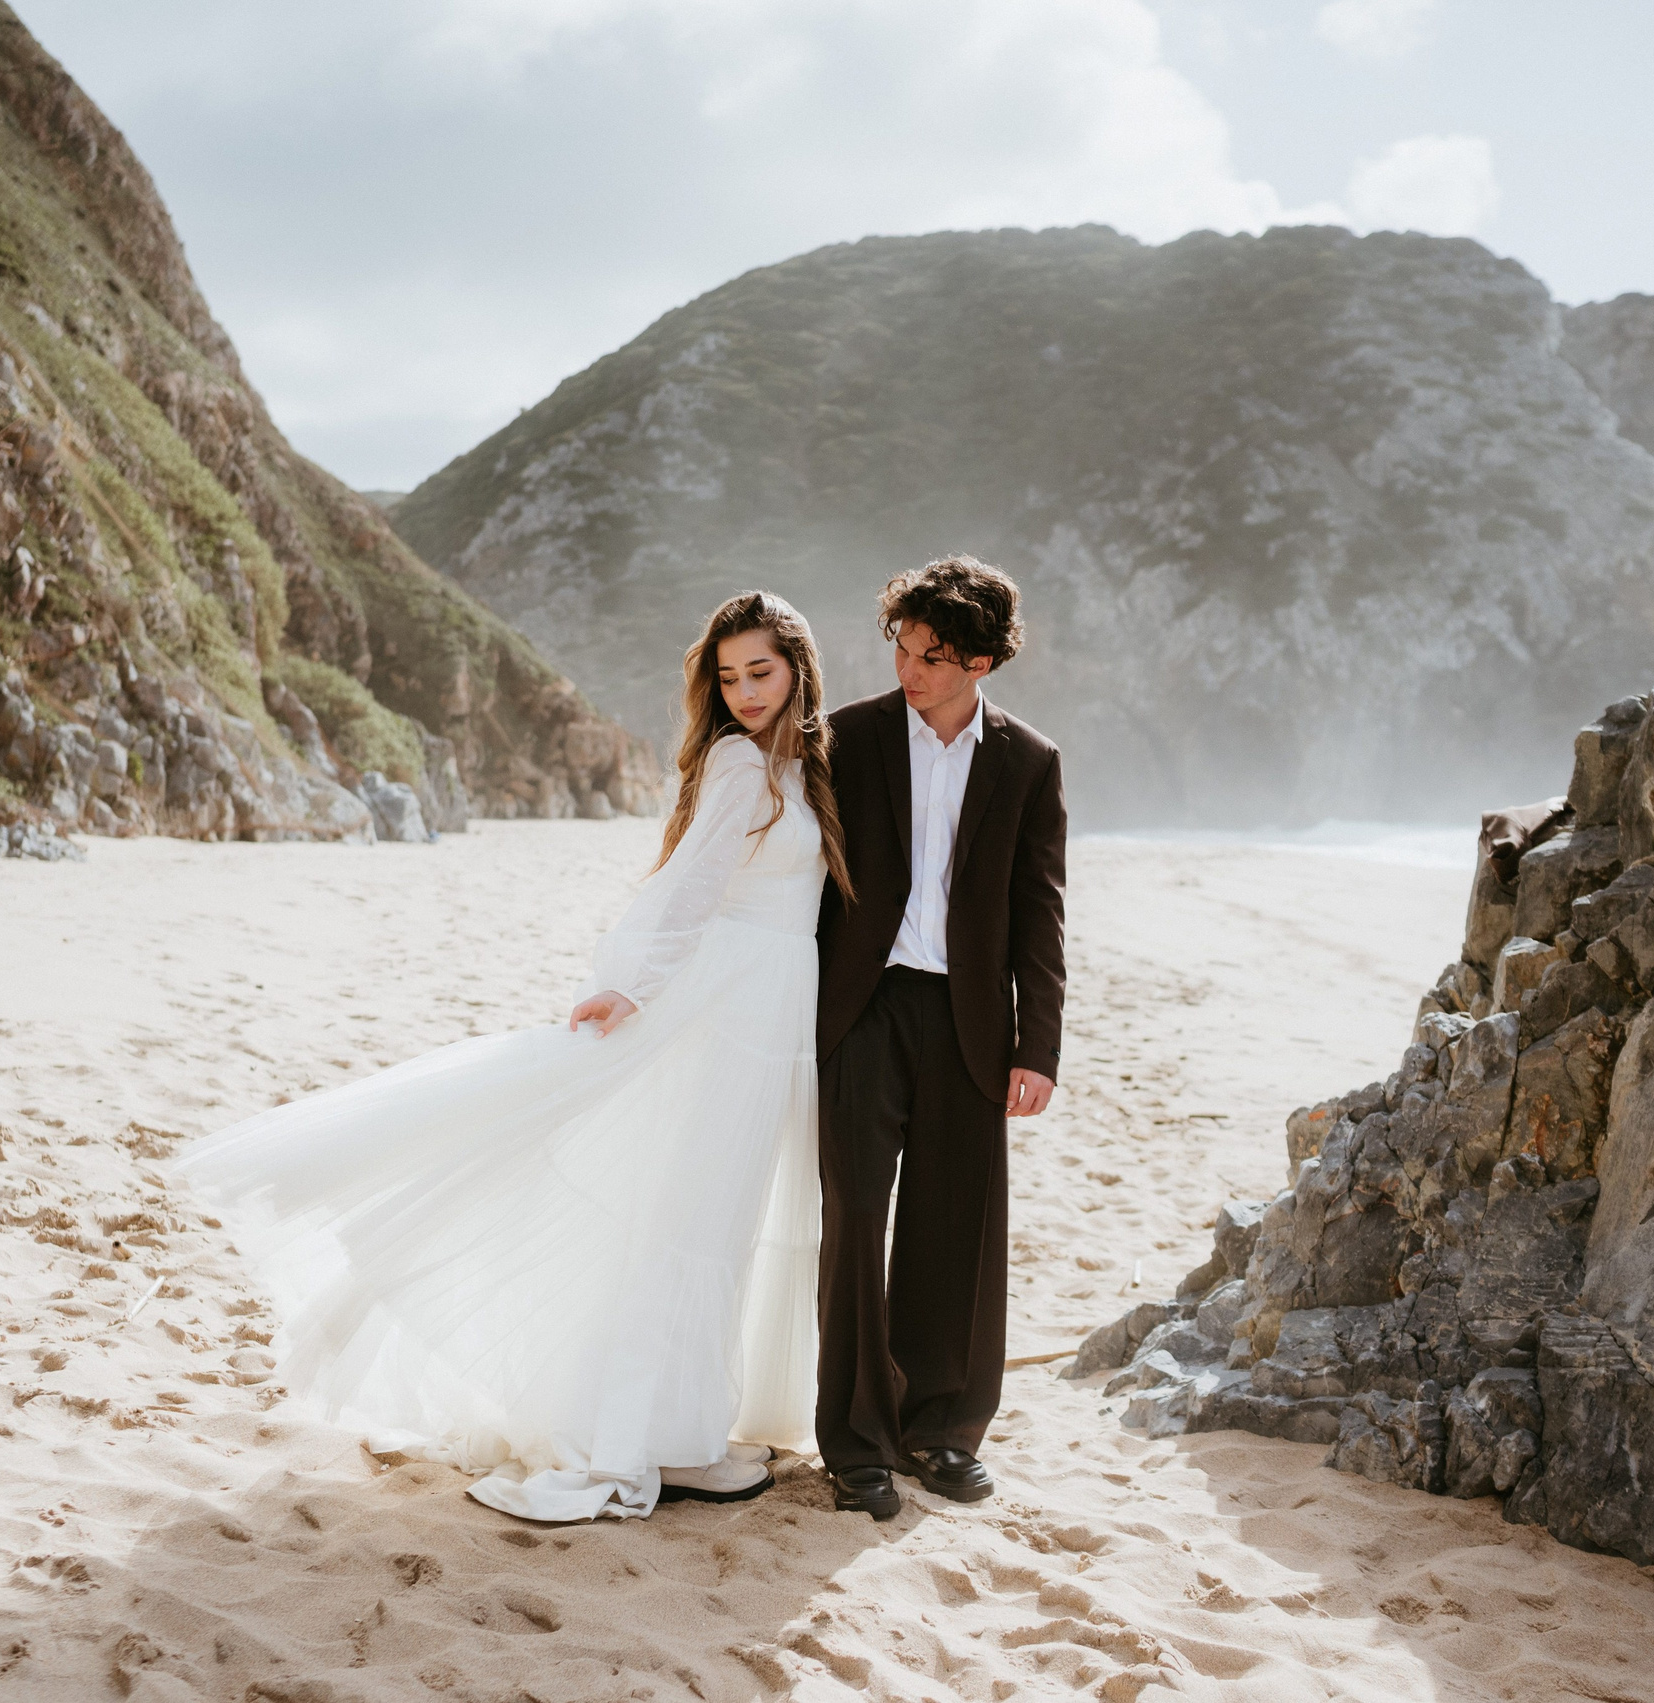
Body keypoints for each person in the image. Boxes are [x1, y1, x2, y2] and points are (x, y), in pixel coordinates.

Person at [181, 591, 852, 1521]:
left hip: (770, 1009)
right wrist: (633, 982)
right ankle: (658, 1439)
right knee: (693, 1222)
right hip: (728, 1004)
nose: (742, 692)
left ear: (799, 669)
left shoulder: (801, 765)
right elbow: (690, 887)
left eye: (760, 672)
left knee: (715, 1220)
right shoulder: (742, 765)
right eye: (729, 675)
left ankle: (682, 1425)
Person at [813, 555, 1067, 1520]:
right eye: (903, 648)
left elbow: (1038, 914)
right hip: (862, 1008)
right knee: (854, 1227)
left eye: (933, 656)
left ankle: (940, 1429)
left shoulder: (1029, 761)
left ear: (981, 664)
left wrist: (1036, 1046)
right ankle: (856, 1444)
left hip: (970, 1022)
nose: (909, 669)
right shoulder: (848, 738)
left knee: (952, 1231)